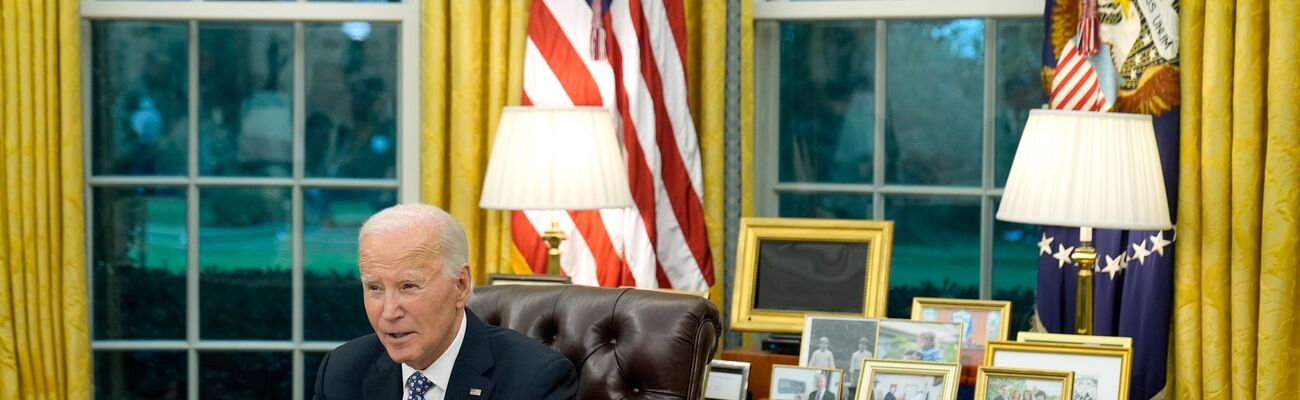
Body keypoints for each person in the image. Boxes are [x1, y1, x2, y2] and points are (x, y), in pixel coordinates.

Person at [313, 204, 579, 399]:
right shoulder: (341, 372)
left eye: (408, 286)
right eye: (374, 288)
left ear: (460, 286)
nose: (389, 311)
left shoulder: (534, 380)